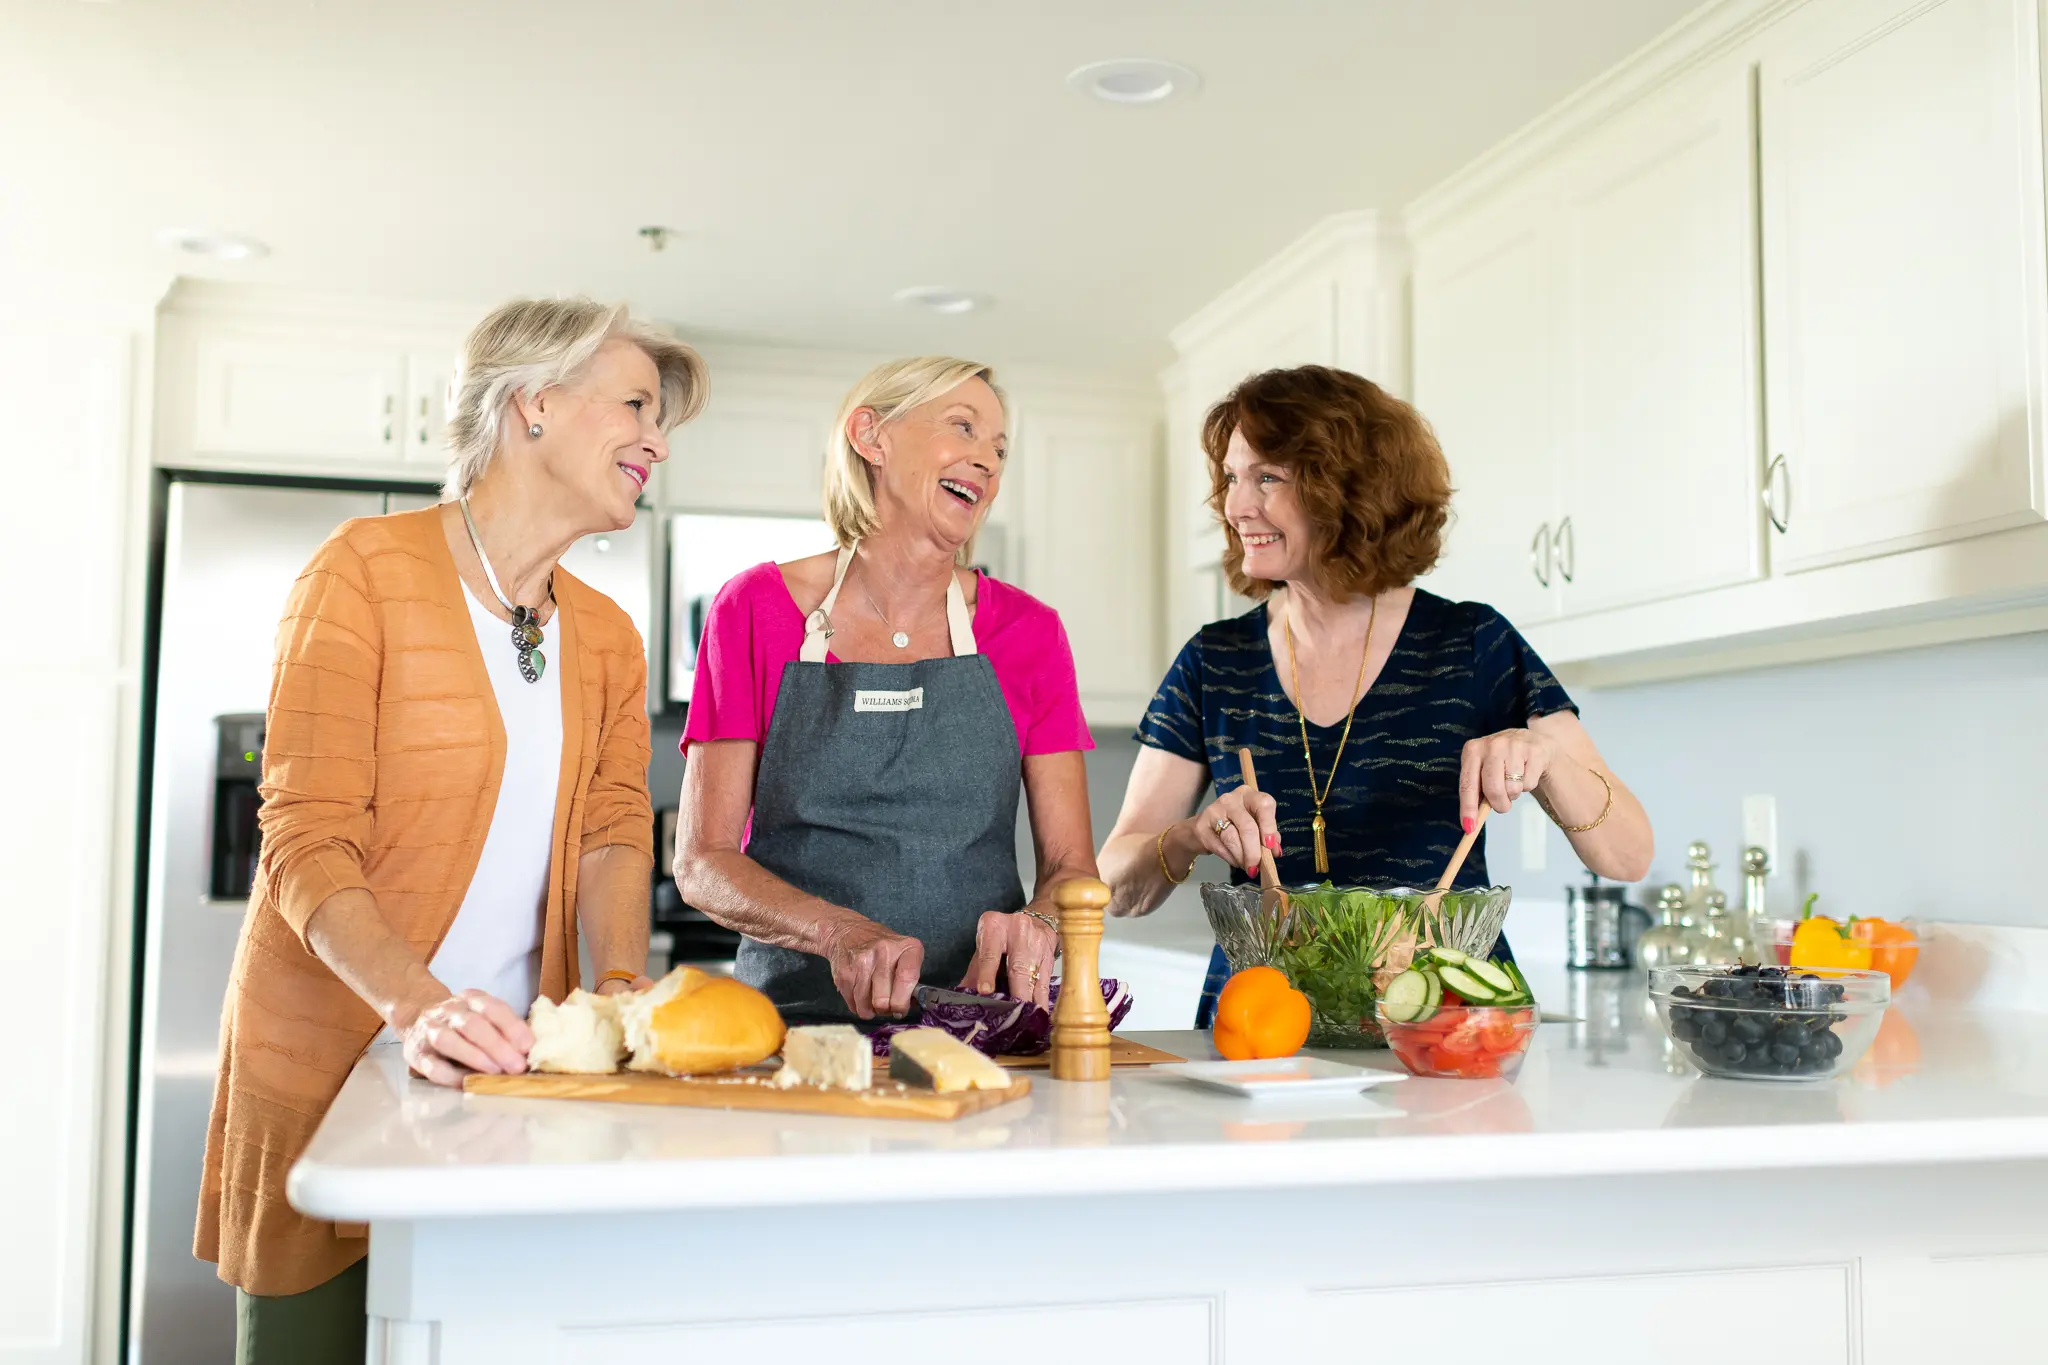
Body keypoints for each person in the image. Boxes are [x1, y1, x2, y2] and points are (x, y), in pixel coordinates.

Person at [199, 298, 705, 1364]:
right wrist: (420, 1008)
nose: (655, 440)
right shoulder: (363, 573)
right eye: (633, 405)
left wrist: (615, 988)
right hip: (347, 1069)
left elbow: (613, 833)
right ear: (532, 404)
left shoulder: (608, 637)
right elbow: (303, 836)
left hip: (516, 1093)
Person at [1100, 365, 1654, 1025]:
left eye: (1267, 477)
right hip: (1263, 1025)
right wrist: (1189, 835)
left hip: (1447, 1025)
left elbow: (1628, 855)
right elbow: (1114, 886)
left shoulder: (1473, 643)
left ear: (1349, 490)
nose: (1235, 505)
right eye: (1231, 477)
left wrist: (1547, 759)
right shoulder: (1215, 661)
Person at [674, 357, 1097, 1024]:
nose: (987, 461)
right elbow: (704, 861)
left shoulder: (1029, 631)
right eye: (964, 426)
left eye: (1000, 448)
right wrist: (838, 932)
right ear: (871, 436)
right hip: (794, 1030)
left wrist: (1041, 920)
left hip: (980, 1024)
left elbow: (1073, 866)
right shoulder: (752, 610)